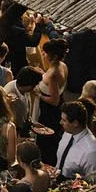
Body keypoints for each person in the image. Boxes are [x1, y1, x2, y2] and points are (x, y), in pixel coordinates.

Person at [36, 37, 68, 165]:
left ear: (53, 56)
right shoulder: (62, 66)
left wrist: (38, 94)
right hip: (57, 105)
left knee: (46, 141)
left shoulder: (54, 73)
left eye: (45, 53)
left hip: (49, 110)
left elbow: (54, 100)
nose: (43, 55)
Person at [55, 101, 96, 182]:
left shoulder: (92, 152)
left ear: (75, 123)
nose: (60, 122)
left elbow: (95, 183)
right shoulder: (67, 133)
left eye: (64, 120)